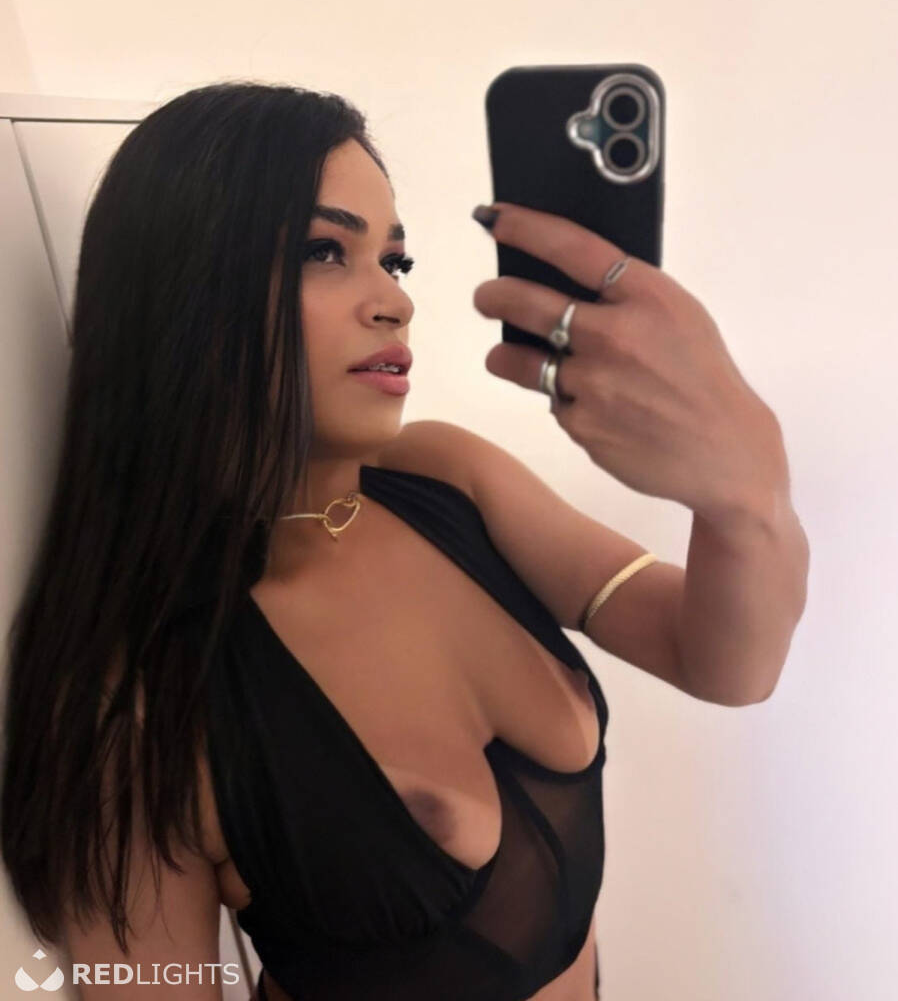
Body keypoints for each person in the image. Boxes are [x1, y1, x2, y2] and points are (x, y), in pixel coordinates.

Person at [1, 81, 799, 1000]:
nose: (393, 302)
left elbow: (725, 665)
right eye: (323, 252)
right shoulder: (141, 706)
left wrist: (744, 494)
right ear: (183, 288)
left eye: (395, 260)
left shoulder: (446, 479)